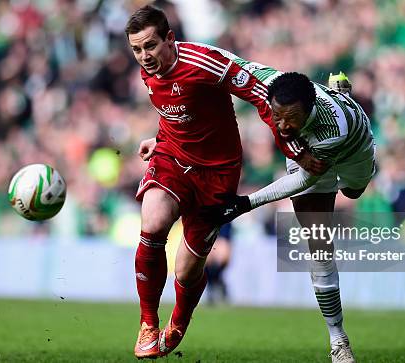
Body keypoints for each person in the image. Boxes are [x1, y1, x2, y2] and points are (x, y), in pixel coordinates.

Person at [124, 5, 325, 359]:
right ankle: (147, 324)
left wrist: (292, 148)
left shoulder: (205, 63)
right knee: (152, 224)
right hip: (172, 157)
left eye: (151, 46)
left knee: (187, 269)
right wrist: (159, 139)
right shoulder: (148, 71)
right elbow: (178, 111)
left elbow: (265, 96)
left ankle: (179, 321)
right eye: (137, 50)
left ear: (170, 38)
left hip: (217, 173)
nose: (145, 56)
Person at [203, 69, 375, 363]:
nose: (281, 124)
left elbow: (304, 180)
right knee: (319, 247)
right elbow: (233, 64)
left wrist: (246, 203)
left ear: (309, 109)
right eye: (276, 115)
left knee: (353, 192)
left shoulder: (335, 129)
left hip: (353, 151)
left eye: (290, 117)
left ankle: (343, 98)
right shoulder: (274, 88)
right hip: (307, 149)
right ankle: (338, 339)